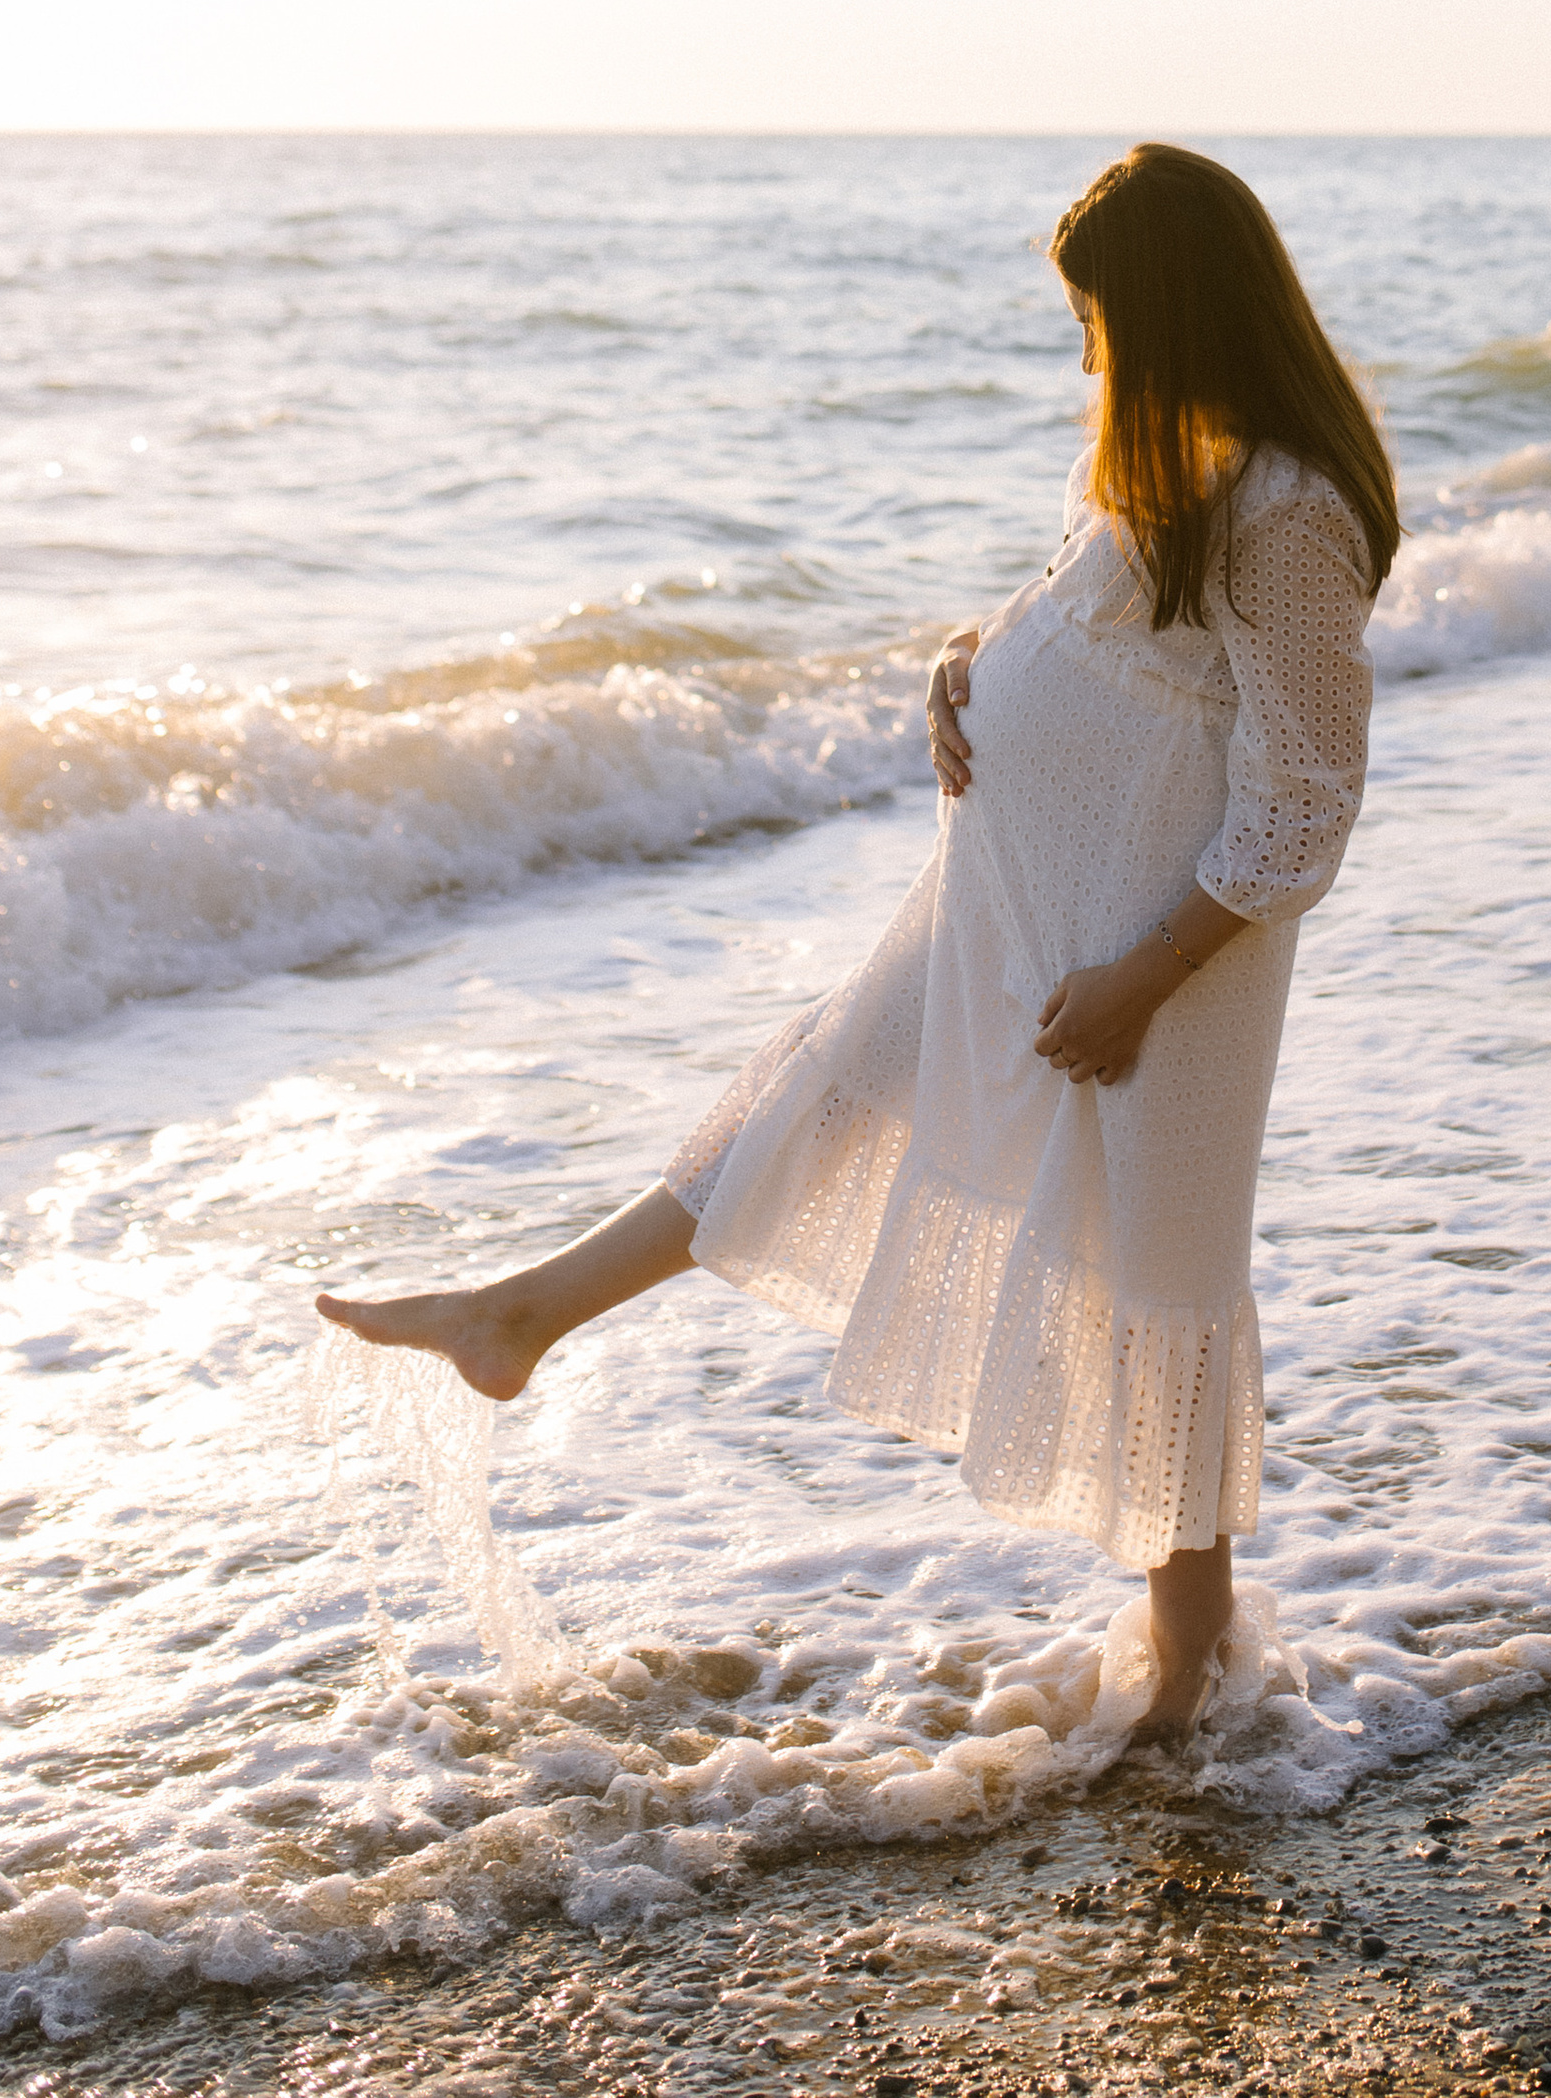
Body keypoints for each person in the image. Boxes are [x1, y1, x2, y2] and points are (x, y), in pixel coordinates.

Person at [316, 143, 1398, 1740]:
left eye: (1099, 325)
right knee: (813, 1096)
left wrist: (1143, 976)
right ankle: (522, 1313)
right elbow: (1092, 623)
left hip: (1152, 960)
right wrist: (969, 660)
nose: (1086, 360)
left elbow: (1303, 799)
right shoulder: (1170, 470)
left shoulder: (1287, 509)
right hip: (1014, 909)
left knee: (1155, 1278)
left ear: (1173, 316)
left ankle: (1189, 1678)